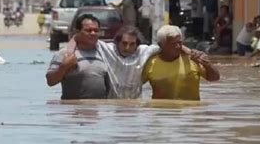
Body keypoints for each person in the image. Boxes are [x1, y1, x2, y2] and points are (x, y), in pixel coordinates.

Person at [69, 25, 197, 99]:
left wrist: (190, 52)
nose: (127, 47)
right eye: (124, 43)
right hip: (112, 107)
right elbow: (78, 37)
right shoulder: (106, 49)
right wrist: (69, 52)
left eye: (132, 44)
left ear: (137, 44)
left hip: (136, 107)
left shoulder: (144, 52)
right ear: (117, 42)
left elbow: (168, 45)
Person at [142, 25, 220, 101]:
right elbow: (133, 87)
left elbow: (214, 78)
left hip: (190, 112)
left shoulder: (192, 58)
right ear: (161, 45)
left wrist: (207, 64)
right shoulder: (150, 63)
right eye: (173, 44)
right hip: (163, 112)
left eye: (179, 42)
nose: (177, 46)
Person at [46, 14, 110, 100]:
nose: (93, 33)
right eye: (88, 30)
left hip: (99, 109)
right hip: (74, 109)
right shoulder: (64, 54)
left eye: (96, 30)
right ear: (77, 32)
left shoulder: (104, 53)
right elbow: (50, 81)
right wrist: (64, 67)